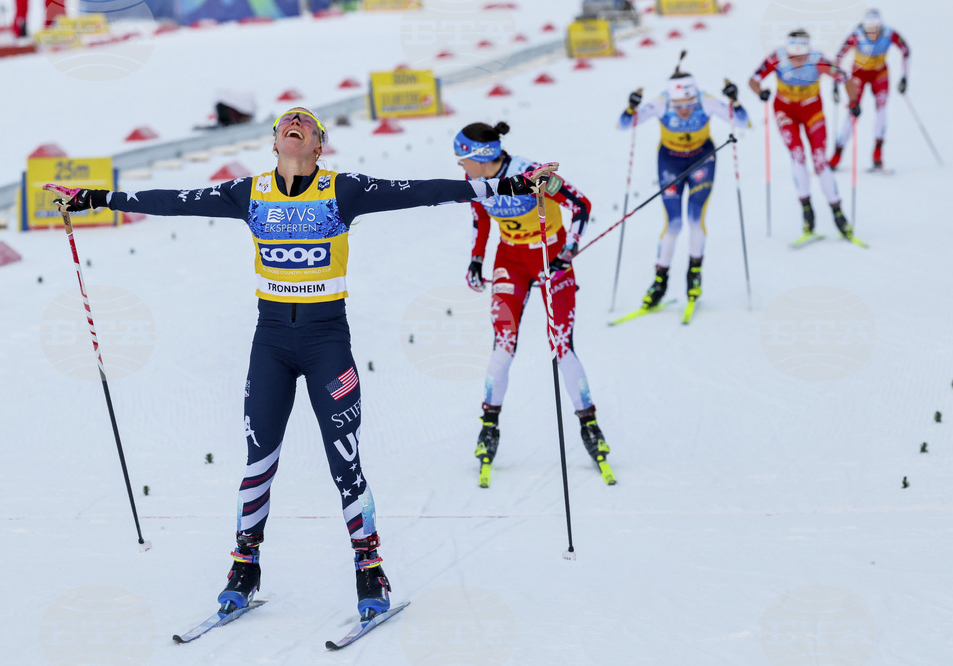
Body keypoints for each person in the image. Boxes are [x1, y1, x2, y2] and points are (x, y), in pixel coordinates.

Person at [50, 107, 554, 622]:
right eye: (286, 122)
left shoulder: (345, 189)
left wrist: (513, 182)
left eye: (306, 123)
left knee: (344, 458)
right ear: (275, 143)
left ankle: (369, 567)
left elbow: (421, 190)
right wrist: (94, 198)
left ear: (319, 145)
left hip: (325, 340)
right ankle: (244, 566)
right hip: (270, 341)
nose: (295, 123)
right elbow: (174, 201)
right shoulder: (249, 194)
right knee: (258, 456)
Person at [455, 121, 615, 488]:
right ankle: (489, 427)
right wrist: (477, 259)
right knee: (504, 343)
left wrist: (568, 250)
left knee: (561, 344)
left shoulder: (531, 174)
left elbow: (581, 205)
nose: (459, 166)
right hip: (509, 261)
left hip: (550, 258)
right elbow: (481, 216)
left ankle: (589, 425)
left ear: (481, 157)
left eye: (463, 159)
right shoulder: (474, 182)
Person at [619, 61, 750, 312]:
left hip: (702, 159)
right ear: (670, 99)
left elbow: (742, 122)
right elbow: (626, 124)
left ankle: (694, 275)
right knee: (674, 223)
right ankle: (660, 281)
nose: (684, 111)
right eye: (678, 106)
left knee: (695, 219)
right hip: (670, 162)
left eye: (689, 105)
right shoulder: (660, 102)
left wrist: (735, 101)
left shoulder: (706, 100)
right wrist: (631, 107)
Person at [749, 29, 861, 243]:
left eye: (801, 57)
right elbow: (753, 80)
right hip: (785, 111)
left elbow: (846, 78)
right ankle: (807, 212)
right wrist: (760, 92)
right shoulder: (776, 58)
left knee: (820, 161)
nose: (798, 61)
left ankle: (838, 213)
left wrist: (853, 102)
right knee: (798, 155)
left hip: (812, 110)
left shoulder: (817, 60)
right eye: (793, 57)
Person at [828, 9, 910, 170]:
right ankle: (837, 155)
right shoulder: (856, 36)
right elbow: (838, 58)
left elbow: (906, 51)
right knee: (853, 112)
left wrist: (904, 77)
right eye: (869, 30)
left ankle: (877, 154)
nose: (873, 34)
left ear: (881, 27)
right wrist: (835, 85)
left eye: (876, 30)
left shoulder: (889, 34)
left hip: (880, 73)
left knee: (882, 109)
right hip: (859, 74)